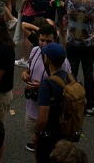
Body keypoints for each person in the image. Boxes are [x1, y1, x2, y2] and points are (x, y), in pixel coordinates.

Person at [22, 23, 70, 153]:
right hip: (33, 106)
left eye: (48, 41)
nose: (44, 44)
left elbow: (66, 83)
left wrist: (44, 86)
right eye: (41, 40)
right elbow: (29, 69)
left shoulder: (61, 60)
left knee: (48, 148)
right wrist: (26, 73)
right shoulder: (35, 51)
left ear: (55, 40)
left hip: (50, 113)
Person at [33, 42, 73, 163]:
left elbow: (43, 119)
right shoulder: (70, 77)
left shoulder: (47, 84)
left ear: (47, 59)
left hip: (50, 135)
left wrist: (36, 132)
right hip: (66, 130)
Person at [64, 0, 94, 116]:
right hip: (87, 44)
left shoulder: (70, 3)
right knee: (88, 74)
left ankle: (70, 102)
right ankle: (90, 105)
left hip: (72, 43)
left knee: (71, 73)